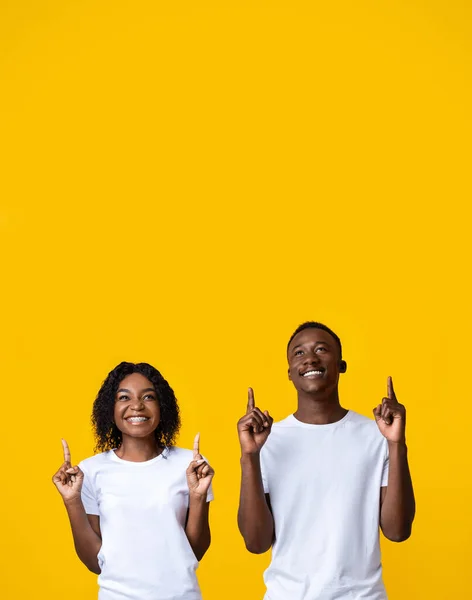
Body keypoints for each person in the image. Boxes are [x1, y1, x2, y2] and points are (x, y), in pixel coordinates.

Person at [237, 322, 415, 600]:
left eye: (322, 349)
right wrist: (250, 456)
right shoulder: (268, 440)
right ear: (289, 373)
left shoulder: (376, 435)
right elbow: (256, 543)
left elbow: (398, 531)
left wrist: (396, 444)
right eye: (299, 353)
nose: (310, 358)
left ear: (341, 365)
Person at [53, 361, 214, 600]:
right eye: (124, 398)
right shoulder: (91, 470)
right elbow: (95, 563)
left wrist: (198, 496)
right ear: (111, 408)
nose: (136, 406)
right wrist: (72, 500)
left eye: (148, 397)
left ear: (162, 407)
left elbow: (195, 551)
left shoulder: (188, 465)